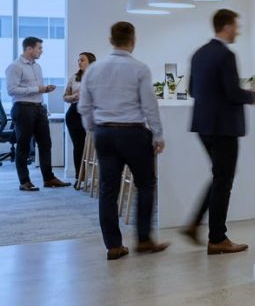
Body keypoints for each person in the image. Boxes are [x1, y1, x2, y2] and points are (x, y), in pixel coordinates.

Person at [78, 22, 169, 260]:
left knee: (108, 189)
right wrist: (158, 134)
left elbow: (84, 105)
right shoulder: (139, 68)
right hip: (133, 133)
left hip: (104, 133)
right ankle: (144, 239)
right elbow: (149, 105)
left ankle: (114, 245)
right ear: (133, 41)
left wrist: (92, 128)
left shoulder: (94, 69)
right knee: (146, 184)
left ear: (111, 40)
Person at [182, 9, 255, 255]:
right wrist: (254, 95)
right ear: (226, 27)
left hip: (203, 126)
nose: (238, 31)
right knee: (223, 180)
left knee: (219, 177)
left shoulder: (199, 53)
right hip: (224, 127)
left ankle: (195, 225)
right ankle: (217, 238)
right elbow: (233, 93)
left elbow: (192, 90)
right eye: (236, 26)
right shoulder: (226, 55)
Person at [6, 37, 68, 191]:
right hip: (23, 108)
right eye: (39, 48)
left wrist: (44, 89)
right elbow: (11, 90)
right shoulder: (15, 66)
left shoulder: (37, 67)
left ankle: (49, 179)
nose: (41, 51)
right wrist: (37, 89)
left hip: (39, 108)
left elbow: (36, 89)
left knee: (46, 144)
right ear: (29, 49)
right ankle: (24, 182)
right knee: (24, 146)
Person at [63, 52, 96, 184]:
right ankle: (80, 177)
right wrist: (74, 97)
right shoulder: (74, 78)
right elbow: (65, 97)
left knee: (95, 147)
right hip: (74, 113)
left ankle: (95, 176)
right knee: (79, 146)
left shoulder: (98, 77)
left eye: (82, 60)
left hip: (92, 112)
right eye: (78, 60)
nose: (79, 62)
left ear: (91, 62)